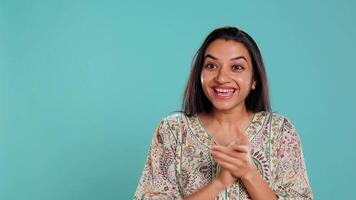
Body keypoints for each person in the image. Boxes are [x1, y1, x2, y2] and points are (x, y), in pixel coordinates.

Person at [134, 26, 313, 199]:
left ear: (254, 80)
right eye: (211, 66)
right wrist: (219, 183)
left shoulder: (281, 131)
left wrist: (248, 173)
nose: (221, 78)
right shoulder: (172, 131)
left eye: (237, 67)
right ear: (200, 74)